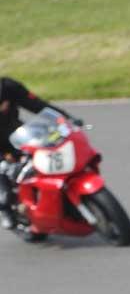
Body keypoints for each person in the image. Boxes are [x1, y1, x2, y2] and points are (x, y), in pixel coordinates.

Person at [0, 76, 81, 230]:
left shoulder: (9, 86)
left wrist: (67, 118)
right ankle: (7, 211)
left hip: (17, 134)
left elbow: (37, 105)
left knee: (49, 151)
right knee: (4, 192)